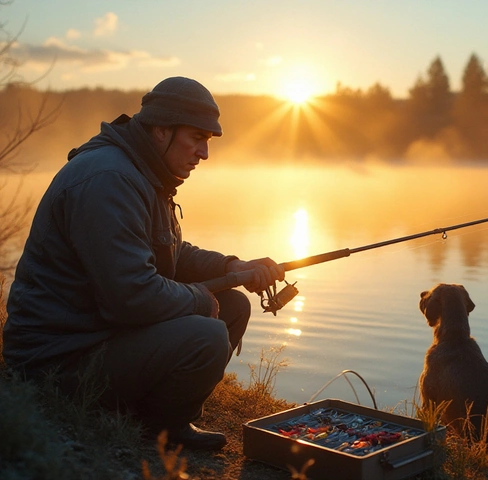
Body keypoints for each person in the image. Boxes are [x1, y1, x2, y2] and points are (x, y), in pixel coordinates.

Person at [2, 76, 285, 450]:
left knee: (232, 305)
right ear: (161, 130)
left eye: (208, 141)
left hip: (96, 334)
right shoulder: (109, 180)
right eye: (197, 138)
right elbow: (131, 296)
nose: (204, 154)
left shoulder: (142, 171)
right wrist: (200, 299)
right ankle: (158, 431)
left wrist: (231, 268)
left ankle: (147, 410)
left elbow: (169, 252)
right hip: (55, 361)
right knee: (208, 332)